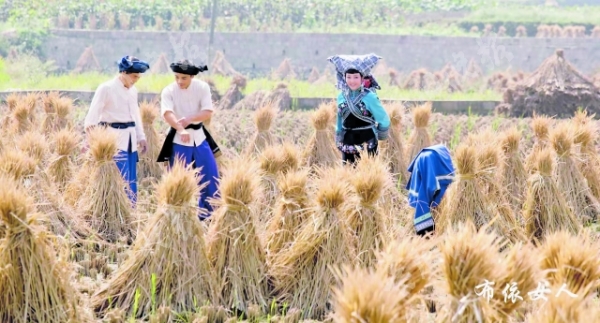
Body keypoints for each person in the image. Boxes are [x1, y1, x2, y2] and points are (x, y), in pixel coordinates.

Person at [156, 59, 220, 220]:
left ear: (191, 76)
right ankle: (174, 217)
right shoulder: (168, 91)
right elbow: (167, 113)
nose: (179, 81)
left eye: (183, 78)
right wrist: (180, 128)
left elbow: (207, 111)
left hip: (199, 138)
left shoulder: (202, 88)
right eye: (176, 77)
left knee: (211, 177)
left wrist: (190, 119)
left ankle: (207, 217)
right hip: (178, 140)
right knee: (176, 182)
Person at [84, 55, 149, 206]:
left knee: (131, 180)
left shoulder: (133, 91)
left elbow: (136, 115)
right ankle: (116, 211)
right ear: (123, 73)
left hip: (130, 140)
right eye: (134, 76)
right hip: (112, 141)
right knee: (119, 179)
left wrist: (141, 136)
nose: (136, 80)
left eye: (138, 77)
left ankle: (131, 211)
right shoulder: (106, 89)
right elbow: (91, 119)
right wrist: (92, 142)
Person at [328, 54, 390, 165]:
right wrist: (338, 135)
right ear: (344, 78)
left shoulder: (370, 97)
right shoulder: (341, 97)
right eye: (349, 77)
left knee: (368, 178)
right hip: (347, 143)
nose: (352, 81)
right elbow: (339, 119)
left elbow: (383, 119)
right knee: (348, 175)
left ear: (362, 78)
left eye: (356, 77)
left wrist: (380, 136)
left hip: (367, 143)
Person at [406, 144, 455, 237]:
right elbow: (423, 200)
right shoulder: (429, 166)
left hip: (425, 159)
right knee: (425, 193)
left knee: (425, 192)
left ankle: (426, 233)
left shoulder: (427, 163)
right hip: (427, 161)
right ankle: (426, 233)